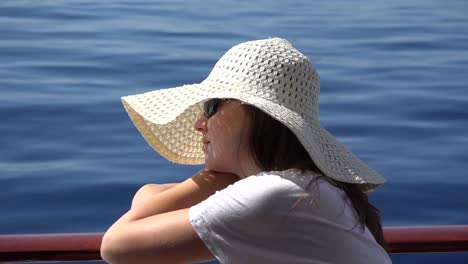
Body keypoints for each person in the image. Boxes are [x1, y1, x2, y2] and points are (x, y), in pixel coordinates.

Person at [101, 37, 393, 263]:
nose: (199, 124)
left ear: (254, 114)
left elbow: (116, 246)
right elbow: (147, 194)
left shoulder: (276, 195)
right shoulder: (307, 188)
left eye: (211, 106)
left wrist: (217, 179)